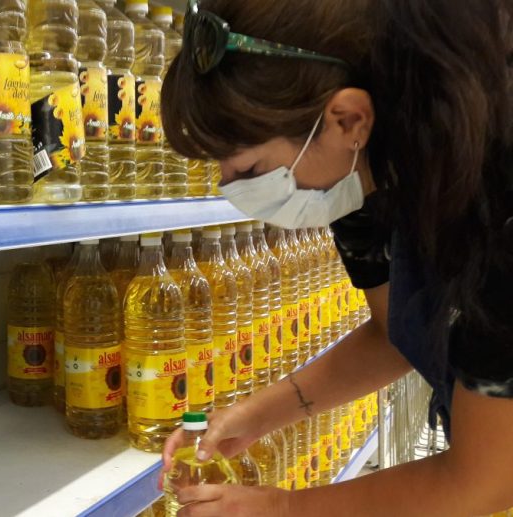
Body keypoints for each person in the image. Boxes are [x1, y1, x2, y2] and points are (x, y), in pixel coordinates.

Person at [160, 0, 513, 515]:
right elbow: (395, 335)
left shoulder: (498, 210)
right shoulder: (359, 175)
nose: (232, 191)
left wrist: (282, 508)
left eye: (249, 170)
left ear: (348, 119)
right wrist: (255, 416)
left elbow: (485, 480)